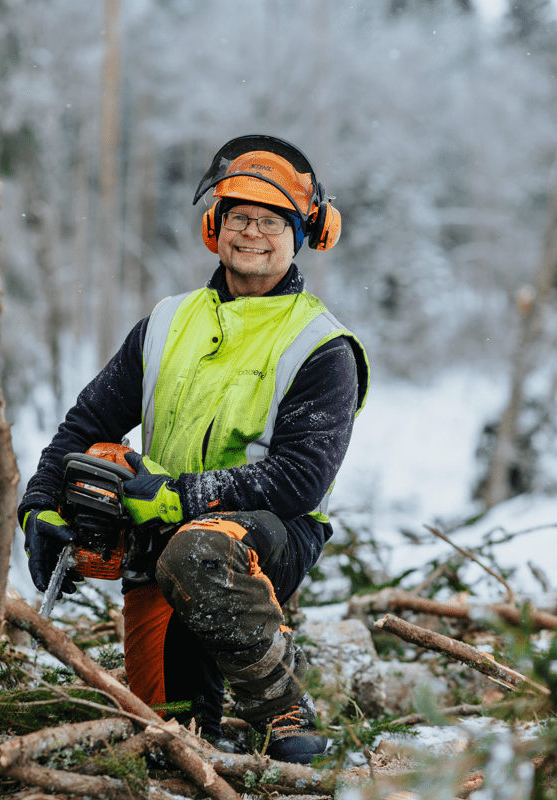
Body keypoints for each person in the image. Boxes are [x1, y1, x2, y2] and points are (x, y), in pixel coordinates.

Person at [19, 134, 370, 764]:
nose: (251, 232)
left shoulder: (322, 345)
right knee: (166, 735)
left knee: (200, 549)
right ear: (215, 227)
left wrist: (176, 497)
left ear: (305, 234)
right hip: (161, 536)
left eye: (271, 220)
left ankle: (281, 708)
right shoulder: (167, 321)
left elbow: (300, 479)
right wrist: (40, 506)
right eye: (239, 217)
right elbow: (84, 422)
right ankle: (195, 714)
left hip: (267, 533)